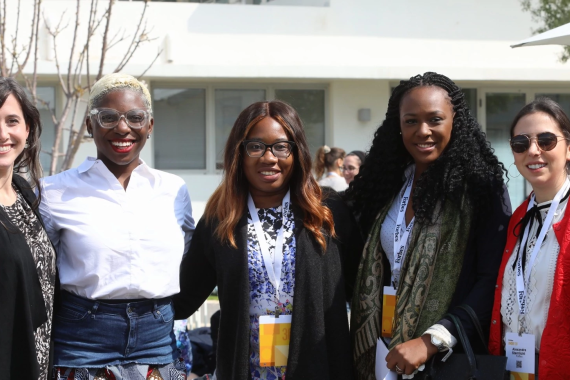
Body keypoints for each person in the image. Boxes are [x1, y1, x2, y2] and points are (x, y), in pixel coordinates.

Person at [173, 100, 362, 380]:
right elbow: (184, 297)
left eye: (281, 146)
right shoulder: (220, 220)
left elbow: (360, 287)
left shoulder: (328, 212)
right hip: (246, 369)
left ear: (296, 152)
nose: (269, 158)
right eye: (256, 146)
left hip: (318, 366)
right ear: (240, 152)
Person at [345, 72, 511, 379]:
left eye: (435, 119)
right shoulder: (385, 186)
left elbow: (492, 280)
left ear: (454, 121)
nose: (423, 131)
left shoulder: (480, 189)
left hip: (445, 357)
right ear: (398, 125)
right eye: (411, 121)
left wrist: (432, 340)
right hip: (383, 348)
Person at [40, 73, 195, 379]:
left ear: (149, 126)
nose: (123, 127)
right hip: (82, 339)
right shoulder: (53, 192)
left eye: (135, 117)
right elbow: (37, 269)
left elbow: (190, 255)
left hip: (158, 339)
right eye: (108, 117)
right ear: (89, 125)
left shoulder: (175, 190)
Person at [489, 98, 570, 378]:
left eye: (546, 140)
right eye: (521, 144)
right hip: (515, 368)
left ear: (569, 148)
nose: (533, 151)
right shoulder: (518, 218)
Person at [0, 77, 55, 380]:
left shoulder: (25, 194)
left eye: (12, 121)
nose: (3, 134)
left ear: (27, 129)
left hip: (37, 364)